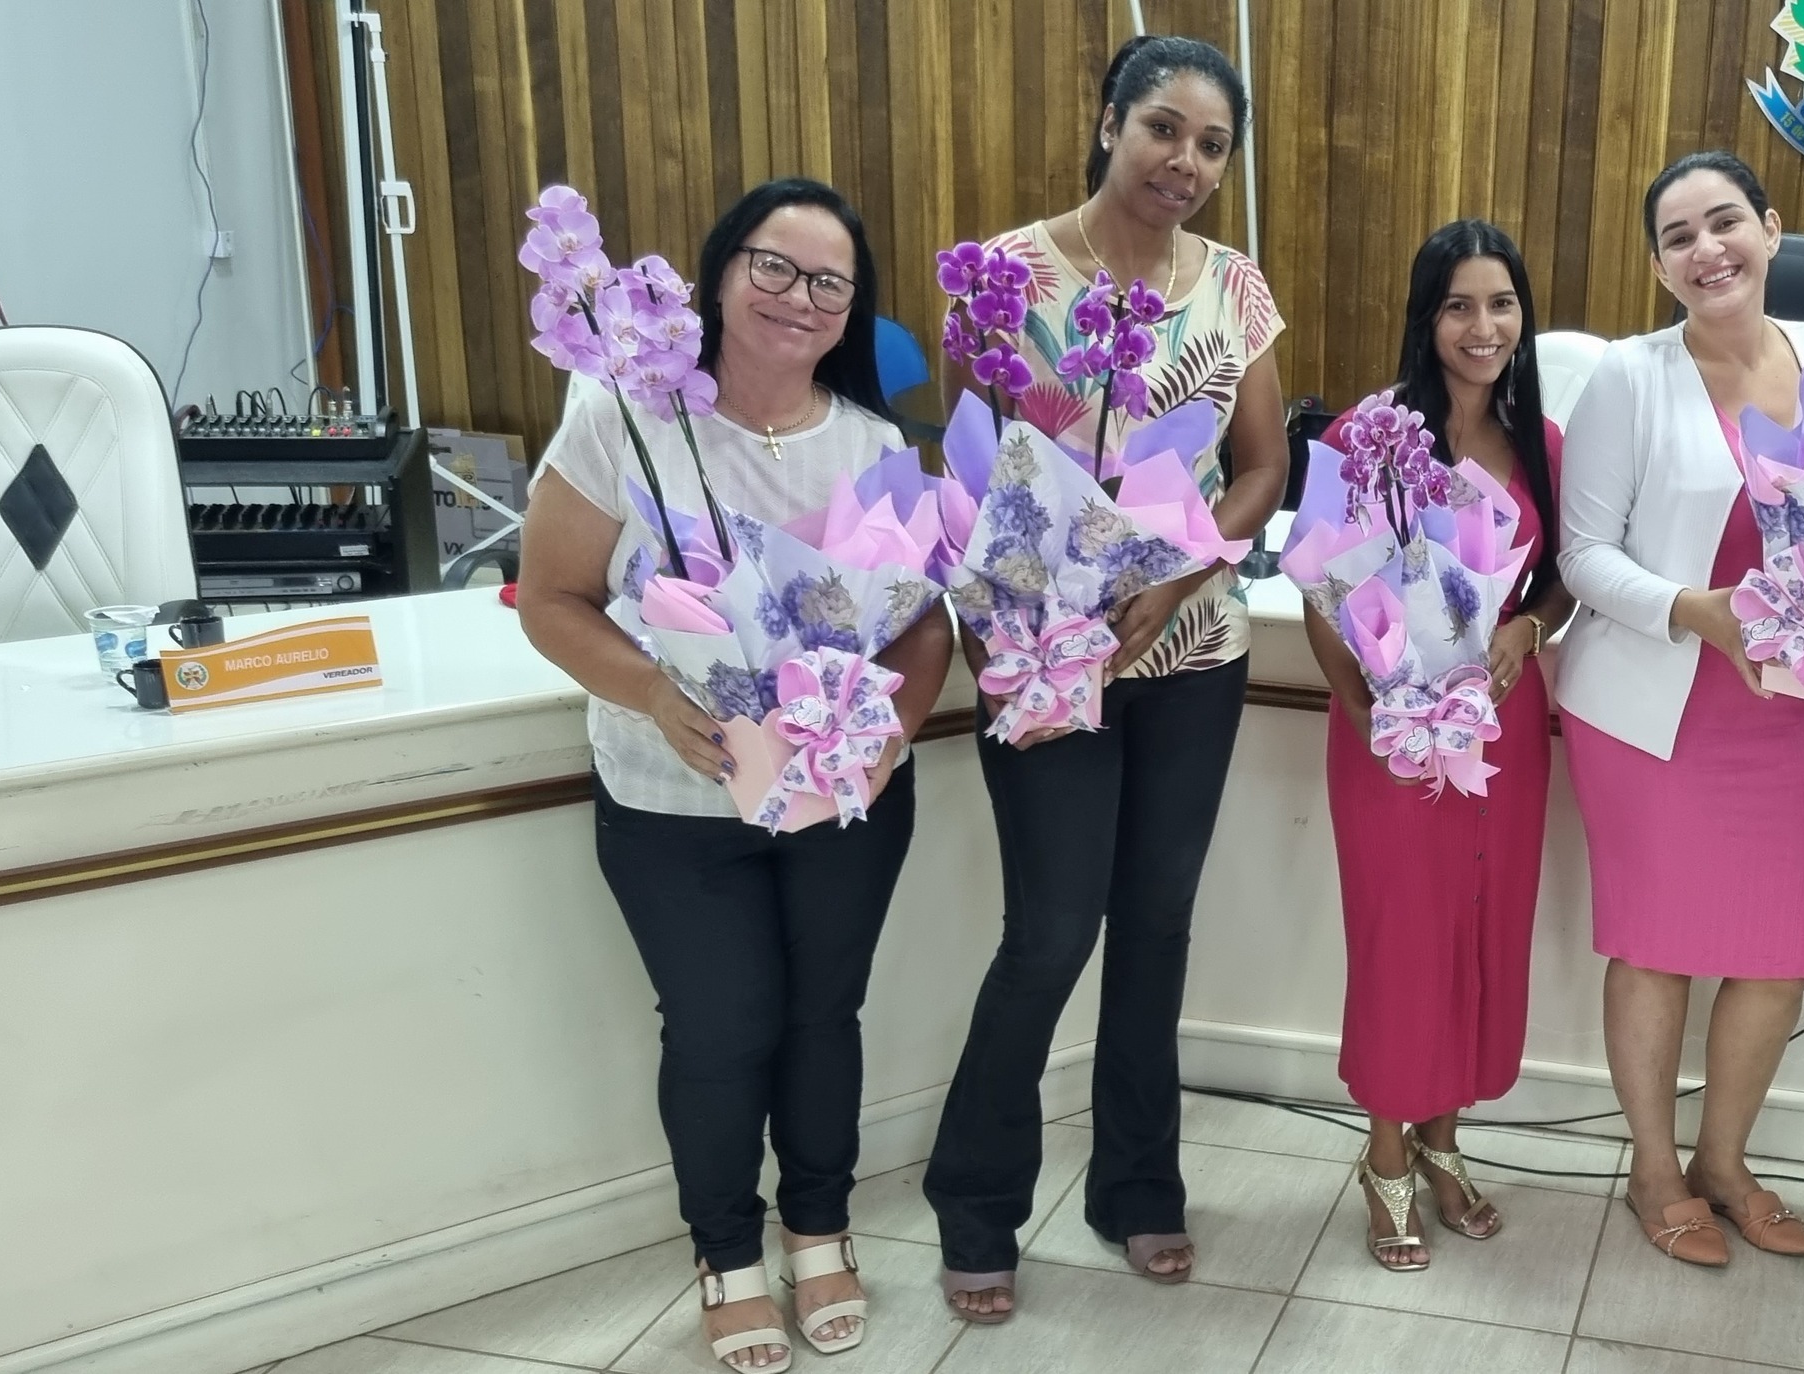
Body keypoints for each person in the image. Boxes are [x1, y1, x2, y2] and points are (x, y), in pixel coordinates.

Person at [517, 178, 952, 1370]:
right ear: (715, 273)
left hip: (841, 799)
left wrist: (892, 729)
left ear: (853, 311)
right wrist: (659, 692)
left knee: (824, 1016)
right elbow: (550, 601)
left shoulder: (871, 447)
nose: (797, 298)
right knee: (719, 1029)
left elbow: (921, 629)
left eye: (829, 282)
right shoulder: (622, 417)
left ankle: (820, 1227)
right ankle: (727, 1249)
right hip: (673, 805)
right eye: (773, 266)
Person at [921, 33, 1287, 1323]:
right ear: (1109, 123)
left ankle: (1138, 1187)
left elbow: (1260, 471)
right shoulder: (1008, 274)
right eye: (1162, 131)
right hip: (1042, 661)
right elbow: (964, 475)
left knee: (1158, 929)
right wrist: (1000, 645)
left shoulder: (1232, 289)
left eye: (1210, 144)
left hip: (1192, 657)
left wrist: (1176, 583)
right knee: (1049, 935)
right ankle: (976, 1200)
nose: (1183, 162)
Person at [1557, 150, 1804, 1269]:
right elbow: (1583, 558)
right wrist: (1699, 611)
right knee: (1657, 949)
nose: (1707, 249)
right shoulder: (1627, 379)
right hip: (1653, 705)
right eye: (1680, 236)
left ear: (1772, 232)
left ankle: (1725, 1162)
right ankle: (1651, 1169)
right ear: (1659, 266)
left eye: (1724, 222)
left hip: (1780, 706)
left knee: (1777, 953)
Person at [1306, 219, 1576, 1272]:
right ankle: (1383, 1156)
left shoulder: (1542, 441)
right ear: (1427, 318)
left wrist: (1529, 625)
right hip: (1389, 736)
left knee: (1478, 929)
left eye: (1501, 303)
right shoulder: (1363, 436)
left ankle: (1446, 1142)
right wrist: (1373, 716)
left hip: (1502, 732)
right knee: (1401, 936)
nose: (1483, 325)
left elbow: (1561, 577)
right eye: (1459, 304)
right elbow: (1323, 594)